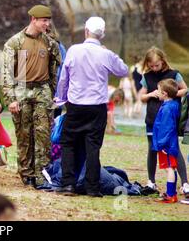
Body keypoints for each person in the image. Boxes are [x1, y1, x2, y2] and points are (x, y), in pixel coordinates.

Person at [55, 16, 128, 197]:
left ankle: (68, 185)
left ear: (86, 30)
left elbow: (64, 77)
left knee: (69, 144)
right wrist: (110, 53)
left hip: (76, 104)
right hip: (97, 106)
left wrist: (61, 99)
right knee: (93, 147)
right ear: (102, 34)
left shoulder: (73, 50)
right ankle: (92, 188)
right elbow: (123, 70)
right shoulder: (105, 54)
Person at [2, 5, 61, 190]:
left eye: (48, 20)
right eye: (44, 20)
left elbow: (54, 72)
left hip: (42, 90)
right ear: (33, 20)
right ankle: (26, 173)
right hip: (21, 89)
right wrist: (10, 98)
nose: (47, 23)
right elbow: (7, 73)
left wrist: (52, 94)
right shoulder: (15, 43)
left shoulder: (50, 44)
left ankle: (41, 173)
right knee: (24, 133)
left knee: (43, 134)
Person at [138, 47, 189, 196]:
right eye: (151, 65)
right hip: (152, 118)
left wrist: (170, 94)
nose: (154, 68)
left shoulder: (174, 74)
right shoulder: (146, 76)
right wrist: (151, 94)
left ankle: (185, 183)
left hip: (169, 119)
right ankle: (151, 182)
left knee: (174, 149)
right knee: (152, 149)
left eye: (157, 65)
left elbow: (185, 90)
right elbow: (141, 97)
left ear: (163, 61)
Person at [152, 79, 180, 203]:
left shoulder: (168, 108)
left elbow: (166, 127)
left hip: (167, 144)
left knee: (169, 168)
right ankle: (172, 193)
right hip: (169, 143)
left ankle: (170, 195)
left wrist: (161, 144)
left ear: (164, 93)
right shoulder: (171, 105)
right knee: (170, 168)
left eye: (158, 90)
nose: (156, 92)